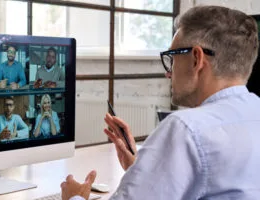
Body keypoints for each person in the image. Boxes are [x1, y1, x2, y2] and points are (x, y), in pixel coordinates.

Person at [61, 6, 260, 200]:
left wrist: (75, 197)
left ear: (196, 59)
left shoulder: (186, 129)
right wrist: (142, 171)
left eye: (172, 58)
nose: (168, 72)